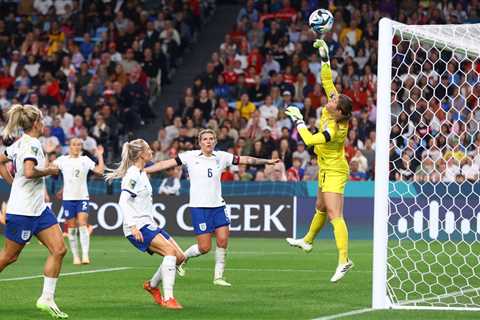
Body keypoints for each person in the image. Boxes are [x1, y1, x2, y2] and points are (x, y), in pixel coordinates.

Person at [145, 129, 278, 286]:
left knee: (223, 240)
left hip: (218, 206)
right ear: (200, 142)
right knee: (205, 247)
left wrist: (266, 161)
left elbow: (245, 159)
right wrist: (144, 170)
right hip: (199, 208)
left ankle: (218, 277)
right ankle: (183, 258)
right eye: (205, 139)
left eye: (211, 139)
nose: (208, 141)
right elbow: (164, 163)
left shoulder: (222, 157)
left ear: (215, 141)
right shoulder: (190, 156)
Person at [284, 39, 354, 283]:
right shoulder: (335, 107)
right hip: (325, 168)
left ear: (340, 113)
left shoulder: (334, 130)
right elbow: (327, 81)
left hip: (335, 170)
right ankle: (307, 240)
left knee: (335, 214)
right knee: (321, 207)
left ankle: (344, 260)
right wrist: (325, 59)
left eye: (334, 102)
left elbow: (312, 141)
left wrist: (298, 121)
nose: (330, 99)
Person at [0, 104, 68, 318]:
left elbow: (2, 159)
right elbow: (29, 172)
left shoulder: (21, 144)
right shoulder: (32, 145)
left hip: (38, 210)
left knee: (59, 249)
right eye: (42, 119)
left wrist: (13, 183)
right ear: (37, 123)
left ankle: (47, 299)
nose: (44, 123)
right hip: (22, 212)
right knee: (10, 257)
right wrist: (50, 170)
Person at [105, 139, 185, 309]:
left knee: (179, 257)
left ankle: (152, 285)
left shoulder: (142, 173)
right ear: (141, 154)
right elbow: (123, 201)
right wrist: (132, 226)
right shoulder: (133, 174)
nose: (152, 151)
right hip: (138, 226)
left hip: (148, 223)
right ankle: (169, 298)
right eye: (148, 149)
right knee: (170, 252)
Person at [54, 139, 105, 265]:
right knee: (71, 227)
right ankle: (76, 256)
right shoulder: (62, 160)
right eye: (74, 144)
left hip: (82, 197)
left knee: (82, 223)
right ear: (69, 147)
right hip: (68, 198)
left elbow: (100, 171)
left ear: (81, 147)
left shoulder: (85, 160)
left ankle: (85, 256)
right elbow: (49, 167)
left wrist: (100, 155)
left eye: (79, 145)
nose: (76, 147)